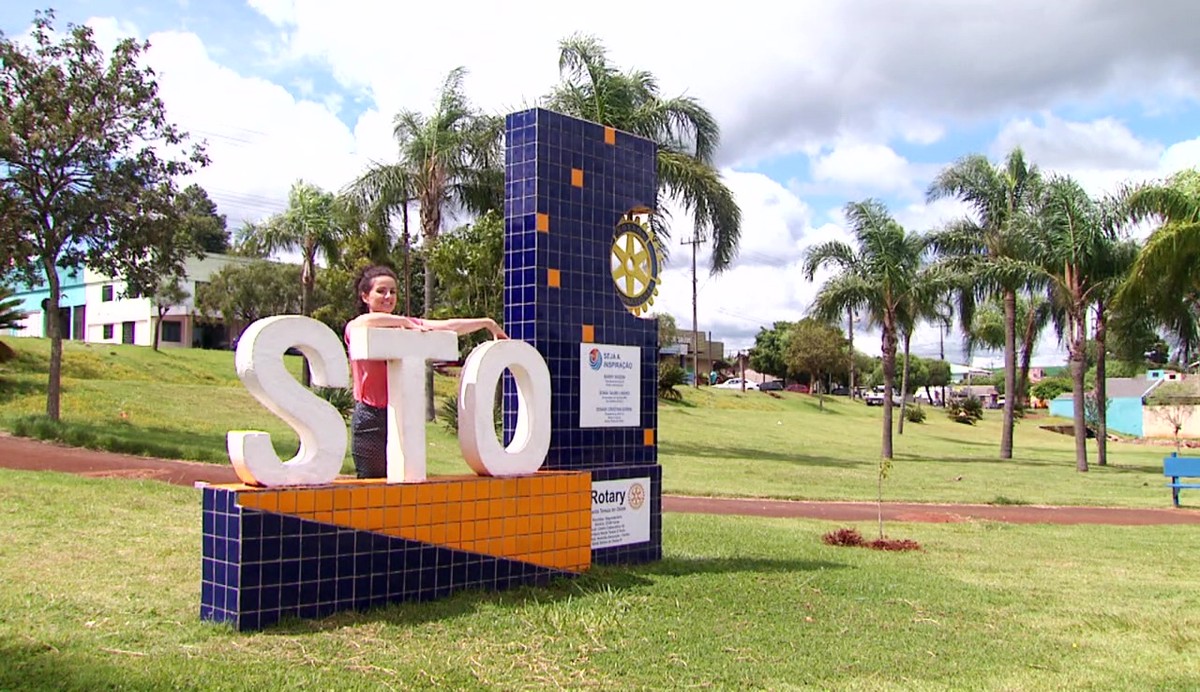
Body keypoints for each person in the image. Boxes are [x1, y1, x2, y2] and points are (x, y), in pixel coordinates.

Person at [345, 265, 508, 478]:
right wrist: (405, 321)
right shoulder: (359, 328)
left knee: (406, 481)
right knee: (372, 484)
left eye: (393, 292)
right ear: (365, 296)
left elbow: (449, 326)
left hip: (403, 417)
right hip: (371, 418)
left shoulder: (406, 328)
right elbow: (363, 321)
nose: (388, 297)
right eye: (381, 291)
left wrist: (488, 323)